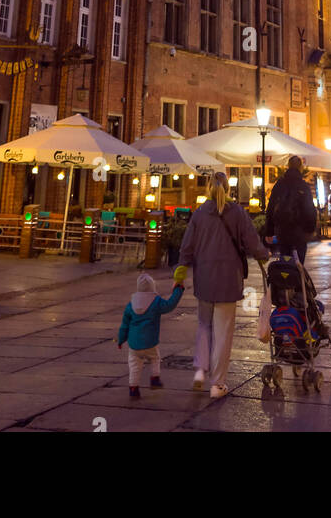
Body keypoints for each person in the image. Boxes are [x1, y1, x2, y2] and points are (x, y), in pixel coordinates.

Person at [177, 171, 269, 398]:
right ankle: (217, 384)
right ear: (228, 189)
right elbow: (251, 241)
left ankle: (200, 369)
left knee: (203, 325)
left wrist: (180, 271)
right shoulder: (237, 212)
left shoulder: (199, 214)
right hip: (228, 279)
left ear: (208, 188)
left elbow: (187, 246)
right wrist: (263, 254)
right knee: (223, 331)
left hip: (205, 279)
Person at [117, 270, 184, 399]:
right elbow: (170, 305)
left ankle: (133, 388)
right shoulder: (156, 302)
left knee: (134, 365)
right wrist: (178, 289)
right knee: (155, 358)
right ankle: (155, 378)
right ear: (152, 287)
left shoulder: (130, 305)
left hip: (134, 345)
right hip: (150, 342)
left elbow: (124, 325)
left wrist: (121, 340)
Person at [264, 155, 318, 263]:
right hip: (299, 232)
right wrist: (310, 229)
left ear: (288, 166)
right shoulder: (303, 186)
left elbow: (270, 208)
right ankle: (297, 278)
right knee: (298, 265)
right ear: (300, 168)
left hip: (282, 231)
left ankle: (286, 278)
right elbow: (309, 210)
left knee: (285, 262)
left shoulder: (279, 184)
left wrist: (269, 232)